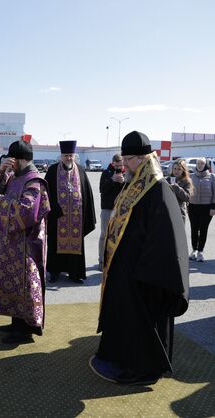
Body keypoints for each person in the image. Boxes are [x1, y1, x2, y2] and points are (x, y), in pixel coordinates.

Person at [90, 131, 189, 385]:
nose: (125, 165)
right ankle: (121, 355)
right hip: (124, 268)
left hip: (145, 274)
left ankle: (143, 368)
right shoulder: (134, 183)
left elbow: (166, 239)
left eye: (129, 160)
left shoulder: (158, 188)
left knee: (140, 321)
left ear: (144, 158)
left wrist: (141, 269)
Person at [0, 141, 51, 344]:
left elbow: (27, 211)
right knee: (13, 284)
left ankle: (26, 330)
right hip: (12, 244)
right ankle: (16, 323)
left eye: (11, 160)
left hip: (26, 247)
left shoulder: (34, 182)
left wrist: (0, 201)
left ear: (20, 159)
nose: (10, 164)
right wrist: (0, 170)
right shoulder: (15, 176)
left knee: (26, 286)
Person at [45, 140, 96, 284]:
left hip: (76, 219)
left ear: (74, 155)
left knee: (76, 245)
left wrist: (86, 213)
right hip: (57, 217)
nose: (68, 158)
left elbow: (87, 193)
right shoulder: (53, 170)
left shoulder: (80, 170)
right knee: (55, 245)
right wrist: (54, 208)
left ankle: (75, 273)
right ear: (61, 156)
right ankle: (54, 272)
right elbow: (45, 193)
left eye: (71, 155)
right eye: (66, 155)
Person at [98, 154, 125, 267]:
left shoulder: (126, 173)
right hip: (107, 209)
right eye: (116, 165)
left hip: (120, 209)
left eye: (120, 165)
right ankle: (101, 260)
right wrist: (112, 180)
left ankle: (115, 260)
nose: (118, 167)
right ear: (112, 162)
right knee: (105, 235)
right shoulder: (106, 173)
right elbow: (101, 190)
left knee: (119, 235)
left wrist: (123, 182)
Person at [188, 157, 215, 262]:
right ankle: (194, 250)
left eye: (202, 163)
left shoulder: (212, 177)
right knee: (194, 229)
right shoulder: (191, 176)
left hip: (206, 208)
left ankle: (200, 251)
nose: (199, 165)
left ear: (206, 165)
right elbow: (187, 191)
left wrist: (213, 207)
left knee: (203, 230)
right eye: (198, 163)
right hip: (193, 207)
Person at [166, 158, 193, 224]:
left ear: (183, 170)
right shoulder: (167, 180)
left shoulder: (187, 181)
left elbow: (187, 197)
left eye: (179, 169)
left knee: (178, 233)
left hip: (179, 212)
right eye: (174, 169)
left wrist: (177, 187)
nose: (176, 171)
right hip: (167, 211)